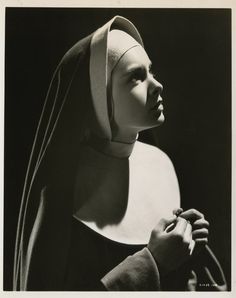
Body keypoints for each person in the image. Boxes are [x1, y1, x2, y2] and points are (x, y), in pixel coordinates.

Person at [13, 15, 227, 291]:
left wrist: (191, 249)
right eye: (136, 77)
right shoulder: (60, 194)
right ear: (98, 96)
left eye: (151, 71)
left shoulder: (161, 164)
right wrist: (152, 262)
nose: (157, 85)